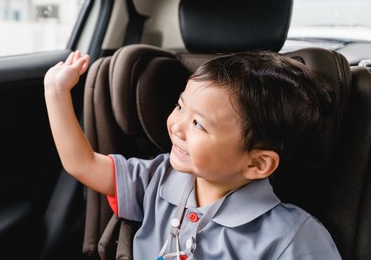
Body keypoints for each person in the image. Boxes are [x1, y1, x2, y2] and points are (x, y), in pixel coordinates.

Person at [44, 50, 341, 259]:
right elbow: (83, 164)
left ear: (257, 162)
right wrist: (56, 93)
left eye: (198, 123)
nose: (177, 127)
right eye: (180, 107)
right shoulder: (156, 179)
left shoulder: (291, 237)